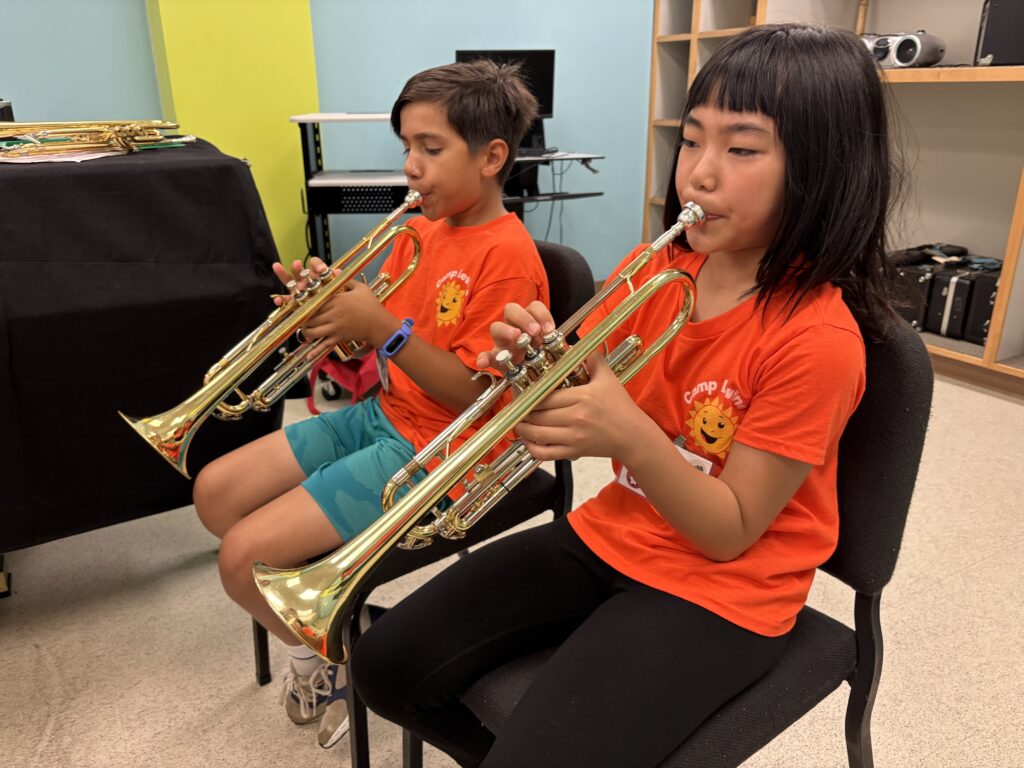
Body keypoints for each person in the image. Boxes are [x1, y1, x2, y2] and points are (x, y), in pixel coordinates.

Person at [350, 23, 903, 768]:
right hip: (615, 533)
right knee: (383, 663)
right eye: (693, 139)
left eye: (741, 149)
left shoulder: (818, 340)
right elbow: (593, 373)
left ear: (824, 170)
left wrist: (630, 435)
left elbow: (731, 531)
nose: (698, 175)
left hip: (725, 590)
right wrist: (543, 359)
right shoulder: (667, 262)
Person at [192, 59, 548, 749]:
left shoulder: (508, 259)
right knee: (215, 492)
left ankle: (330, 661)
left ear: (491, 157)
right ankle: (322, 626)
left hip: (447, 453)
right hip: (383, 415)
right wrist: (330, 318)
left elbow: (482, 399)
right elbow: (368, 358)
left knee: (241, 560)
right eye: (406, 148)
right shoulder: (420, 230)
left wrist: (383, 328)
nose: (411, 167)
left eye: (430, 148)